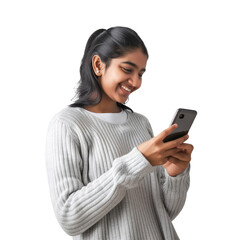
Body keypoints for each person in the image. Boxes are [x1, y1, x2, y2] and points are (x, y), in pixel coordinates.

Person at [46, 26, 194, 240]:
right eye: (127, 69)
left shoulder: (140, 123)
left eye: (141, 73)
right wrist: (138, 161)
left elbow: (164, 214)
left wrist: (175, 174)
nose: (136, 82)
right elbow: (69, 217)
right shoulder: (67, 124)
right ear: (98, 65)